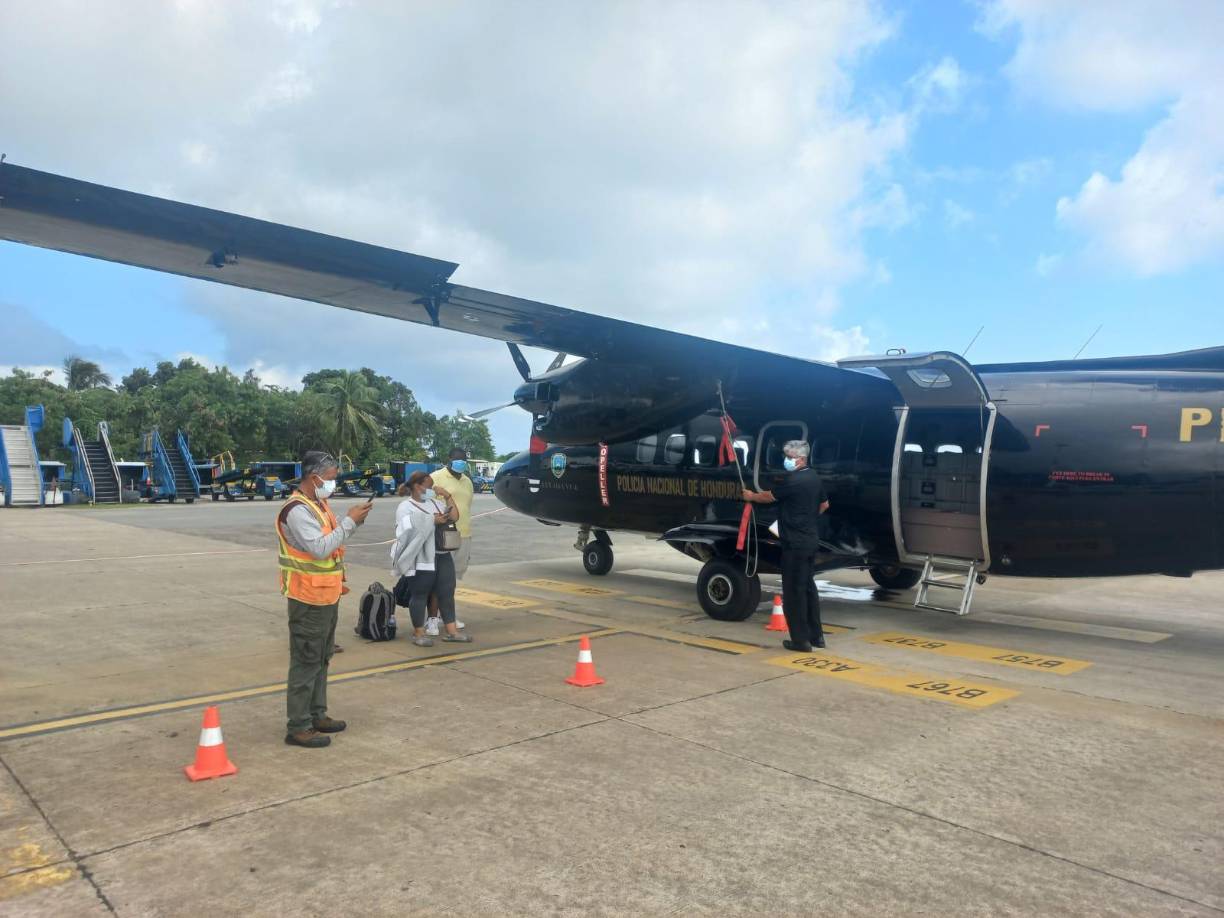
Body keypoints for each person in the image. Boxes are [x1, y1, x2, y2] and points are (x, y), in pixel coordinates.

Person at [276, 450, 371, 748]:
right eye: (330, 479)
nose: (333, 484)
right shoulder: (297, 510)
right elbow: (319, 549)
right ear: (313, 477)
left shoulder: (319, 505)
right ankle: (298, 726)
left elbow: (333, 542)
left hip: (326, 595)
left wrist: (352, 522)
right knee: (306, 661)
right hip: (307, 598)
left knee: (321, 658)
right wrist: (349, 522)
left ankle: (317, 714)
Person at [742, 440, 829, 652]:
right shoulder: (814, 477)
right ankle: (817, 636)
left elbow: (769, 496)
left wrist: (751, 496)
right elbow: (824, 505)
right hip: (810, 540)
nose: (786, 460)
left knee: (793, 592)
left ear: (801, 459)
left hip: (794, 544)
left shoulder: (794, 480)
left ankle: (800, 641)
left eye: (790, 457)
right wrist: (807, 519)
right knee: (808, 588)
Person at [391, 471, 471, 646]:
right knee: (420, 593)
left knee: (447, 592)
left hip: (442, 554)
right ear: (417, 486)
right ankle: (418, 633)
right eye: (429, 486)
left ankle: (452, 632)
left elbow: (455, 517)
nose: (432, 490)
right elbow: (404, 530)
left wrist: (448, 496)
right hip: (421, 557)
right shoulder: (405, 506)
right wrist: (431, 521)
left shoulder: (435, 503)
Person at [423, 448, 475, 636]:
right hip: (442, 535)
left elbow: (466, 506)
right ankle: (432, 619)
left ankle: (448, 616)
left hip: (463, 533)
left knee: (451, 580)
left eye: (464, 461)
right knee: (438, 579)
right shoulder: (435, 477)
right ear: (449, 459)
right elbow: (423, 501)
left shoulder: (467, 481)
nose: (461, 463)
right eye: (457, 460)